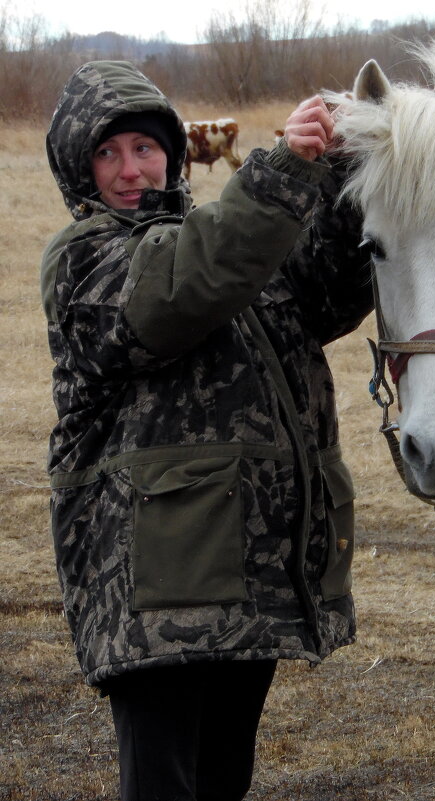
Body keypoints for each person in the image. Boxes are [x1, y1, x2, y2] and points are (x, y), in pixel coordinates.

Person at [42, 60, 373, 801]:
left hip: (246, 572)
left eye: (145, 147)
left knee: (223, 779)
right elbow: (182, 289)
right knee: (163, 786)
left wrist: (347, 179)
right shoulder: (83, 260)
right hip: (152, 585)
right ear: (77, 164)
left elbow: (321, 295)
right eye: (107, 152)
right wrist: (282, 169)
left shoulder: (225, 238)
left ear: (172, 150)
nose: (131, 170)